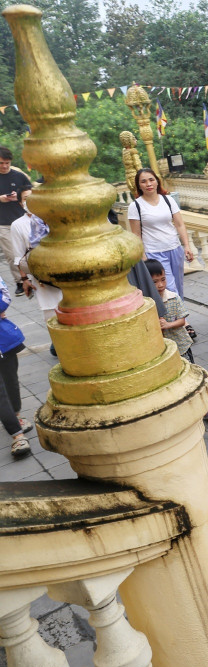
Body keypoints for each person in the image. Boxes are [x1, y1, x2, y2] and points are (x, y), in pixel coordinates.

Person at [145, 259, 208, 421]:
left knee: (192, 376)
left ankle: (204, 408)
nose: (160, 285)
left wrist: (168, 325)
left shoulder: (173, 297)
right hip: (162, 351)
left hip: (182, 346)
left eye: (163, 279)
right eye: (155, 282)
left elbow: (182, 321)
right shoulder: (146, 303)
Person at [127, 168, 195, 298]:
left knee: (178, 286)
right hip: (154, 252)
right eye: (143, 181)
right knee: (169, 288)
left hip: (175, 248)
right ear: (139, 185)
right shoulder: (135, 206)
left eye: (151, 180)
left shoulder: (168, 200)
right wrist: (143, 256)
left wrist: (187, 246)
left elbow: (180, 224)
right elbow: (136, 234)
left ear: (157, 181)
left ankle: (180, 311)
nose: (148, 184)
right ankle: (175, 311)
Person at [10, 202, 61, 356]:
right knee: (51, 309)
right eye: (26, 198)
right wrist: (24, 279)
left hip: (65, 269)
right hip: (43, 275)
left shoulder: (59, 214)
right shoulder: (21, 224)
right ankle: (58, 342)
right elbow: (20, 256)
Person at [0, 276, 32, 457]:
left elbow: (4, 297)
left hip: (3, 340)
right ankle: (17, 435)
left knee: (11, 380)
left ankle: (16, 415)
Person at [0, 147, 32, 296]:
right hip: (3, 223)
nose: (4, 166)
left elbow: (30, 192)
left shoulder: (19, 176)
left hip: (23, 219)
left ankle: (35, 276)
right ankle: (20, 281)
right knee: (12, 254)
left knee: (30, 249)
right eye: (1, 163)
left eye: (7, 163)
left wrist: (18, 197)